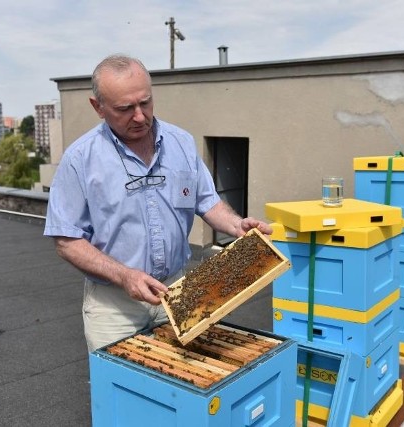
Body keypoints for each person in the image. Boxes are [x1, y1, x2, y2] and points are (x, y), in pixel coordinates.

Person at [44, 54, 272, 352]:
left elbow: (207, 202)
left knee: (177, 392)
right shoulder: (80, 159)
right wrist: (124, 275)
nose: (139, 116)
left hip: (176, 292)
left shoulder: (181, 143)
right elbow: (67, 240)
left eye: (145, 103)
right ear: (97, 107)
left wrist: (236, 224)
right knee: (123, 394)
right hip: (114, 307)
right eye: (125, 108)